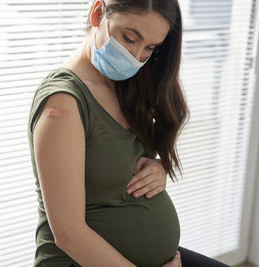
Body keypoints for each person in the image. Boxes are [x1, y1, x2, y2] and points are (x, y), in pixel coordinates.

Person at [27, 0, 231, 266]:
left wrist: (157, 169)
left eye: (150, 48)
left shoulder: (123, 83)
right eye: (130, 38)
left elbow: (118, 158)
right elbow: (68, 235)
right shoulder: (63, 103)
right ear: (98, 13)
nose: (136, 57)